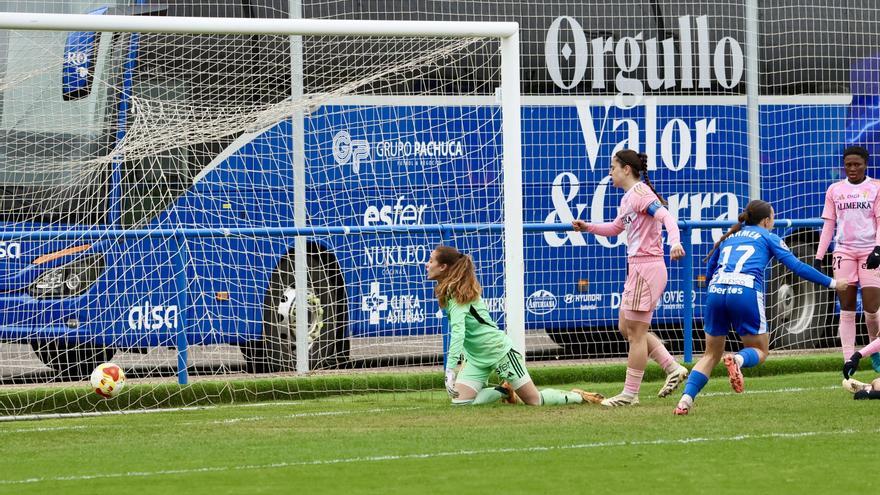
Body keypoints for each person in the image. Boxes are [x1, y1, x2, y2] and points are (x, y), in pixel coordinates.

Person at [674, 200, 849, 415]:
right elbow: (798, 266)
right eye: (773, 219)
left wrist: (717, 292)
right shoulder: (768, 237)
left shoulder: (729, 237)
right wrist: (832, 283)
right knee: (760, 350)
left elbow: (710, 271)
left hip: (716, 292)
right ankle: (737, 360)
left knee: (710, 354)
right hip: (745, 292)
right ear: (766, 221)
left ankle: (684, 401)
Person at [572, 149, 689, 407]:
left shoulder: (640, 194)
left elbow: (666, 216)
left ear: (626, 169)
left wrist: (675, 243)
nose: (610, 172)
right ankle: (672, 367)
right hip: (638, 268)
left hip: (647, 268)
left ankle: (629, 394)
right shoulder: (628, 198)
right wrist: (588, 227)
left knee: (636, 333)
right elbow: (616, 228)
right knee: (626, 327)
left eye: (613, 167)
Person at [427, 245, 604, 406]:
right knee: (460, 403)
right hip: (476, 358)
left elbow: (458, 333)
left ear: (443, 267)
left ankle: (578, 396)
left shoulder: (457, 293)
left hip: (500, 352)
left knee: (534, 401)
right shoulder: (450, 289)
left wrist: (450, 369)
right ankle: (505, 390)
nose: (427, 265)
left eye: (431, 261)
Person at [814, 146, 880, 370]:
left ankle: (875, 352)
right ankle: (847, 362)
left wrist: (878, 249)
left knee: (872, 307)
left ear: (865, 165)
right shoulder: (834, 189)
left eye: (857, 164)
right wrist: (819, 256)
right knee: (847, 307)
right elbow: (829, 224)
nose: (852, 169)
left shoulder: (875, 187)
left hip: (870, 251)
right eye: (848, 165)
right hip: (844, 252)